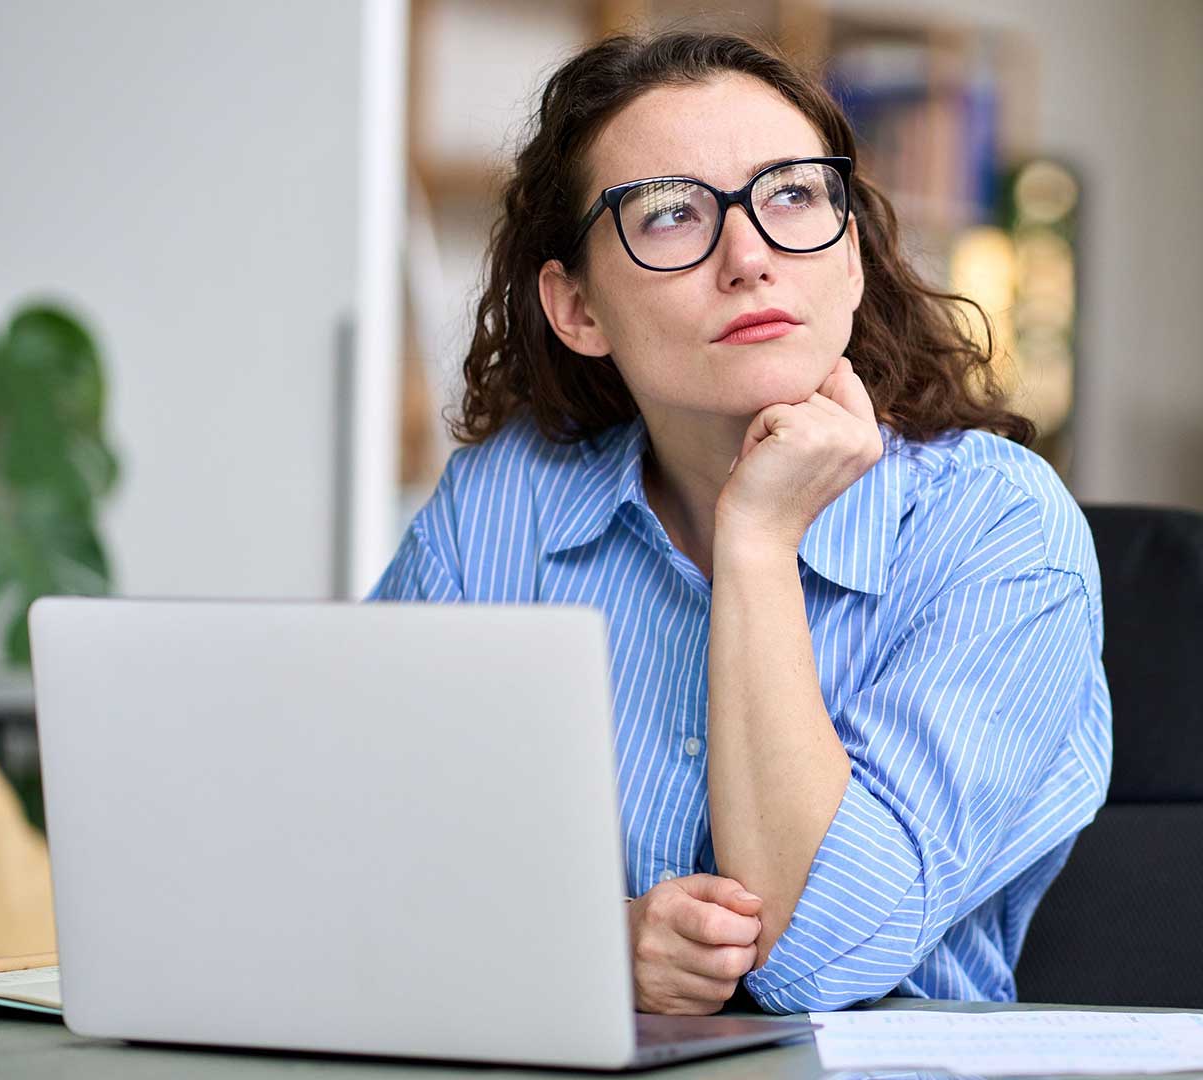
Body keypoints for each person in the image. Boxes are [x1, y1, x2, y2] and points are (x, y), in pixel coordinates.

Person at [369, 29, 1111, 1016]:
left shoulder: (1000, 527)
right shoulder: (501, 507)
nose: (750, 256)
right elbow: (358, 856)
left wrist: (757, 541)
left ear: (850, 256)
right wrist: (596, 939)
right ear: (578, 306)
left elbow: (816, 958)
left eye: (795, 195)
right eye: (669, 214)